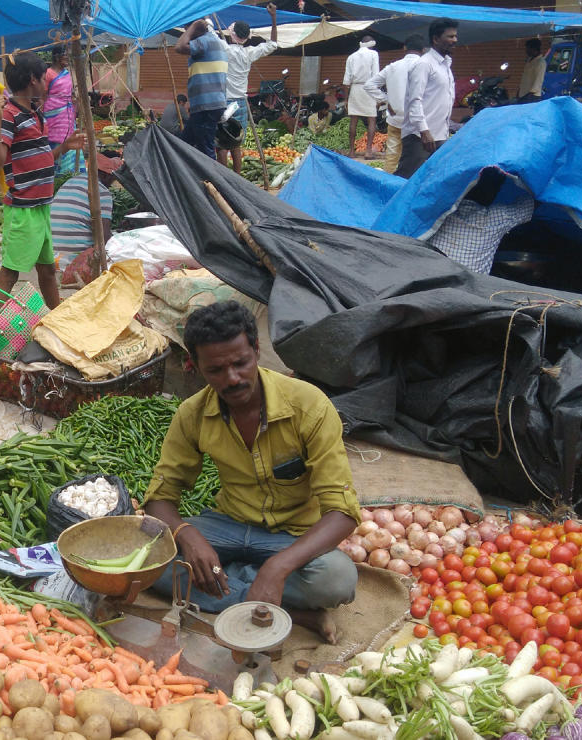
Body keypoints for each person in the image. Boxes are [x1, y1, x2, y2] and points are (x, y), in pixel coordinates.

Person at [144, 301, 359, 643]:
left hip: (291, 534)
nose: (232, 379)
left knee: (337, 580)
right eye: (216, 370)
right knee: (145, 557)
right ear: (196, 367)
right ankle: (288, 609)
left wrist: (279, 566)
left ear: (257, 351)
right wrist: (188, 534)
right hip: (228, 525)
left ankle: (242, 580)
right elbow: (159, 498)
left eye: (241, 363)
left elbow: (343, 513)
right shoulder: (192, 413)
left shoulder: (309, 406)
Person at [0, 52, 86, 310]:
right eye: (44, 78)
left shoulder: (35, 113)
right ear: (33, 79)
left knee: (46, 270)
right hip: (23, 209)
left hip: (41, 207)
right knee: (10, 273)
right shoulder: (10, 114)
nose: (47, 84)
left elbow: (40, 158)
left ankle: (57, 318)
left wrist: (64, 147)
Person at [220, 4, 280, 174]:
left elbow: (210, 33)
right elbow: (273, 44)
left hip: (225, 102)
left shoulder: (226, 50)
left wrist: (207, 19)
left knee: (222, 146)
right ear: (247, 37)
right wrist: (273, 17)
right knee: (236, 144)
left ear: (232, 35)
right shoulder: (249, 53)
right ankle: (237, 179)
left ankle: (223, 179)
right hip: (240, 103)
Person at [395, 19, 458, 179]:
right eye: (450, 37)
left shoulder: (446, 65)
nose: (455, 40)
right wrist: (424, 131)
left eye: (455, 36)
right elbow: (414, 100)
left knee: (433, 181)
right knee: (406, 179)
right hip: (420, 136)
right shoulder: (424, 64)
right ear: (436, 39)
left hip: (440, 135)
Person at [364, 34, 428, 174]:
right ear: (424, 50)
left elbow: (369, 85)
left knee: (392, 156)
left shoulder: (393, 67)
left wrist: (386, 101)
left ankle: (388, 183)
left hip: (395, 119)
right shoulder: (427, 67)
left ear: (404, 48)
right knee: (415, 157)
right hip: (417, 123)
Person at [50, 153, 119, 277]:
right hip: (76, 261)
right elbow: (103, 237)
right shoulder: (101, 192)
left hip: (52, 257)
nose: (112, 182)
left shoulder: (70, 182)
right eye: (112, 178)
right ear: (105, 174)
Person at [175, 18, 229, 158]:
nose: (187, 34)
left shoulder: (205, 41)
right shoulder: (214, 42)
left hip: (207, 106)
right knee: (183, 144)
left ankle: (212, 179)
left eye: (188, 30)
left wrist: (193, 26)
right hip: (208, 105)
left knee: (206, 150)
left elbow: (179, 47)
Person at [43, 46, 79, 174]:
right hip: (54, 115)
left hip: (68, 115)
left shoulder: (67, 73)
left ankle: (71, 172)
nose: (67, 59)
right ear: (57, 57)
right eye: (65, 56)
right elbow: (43, 95)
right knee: (56, 141)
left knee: (71, 139)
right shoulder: (48, 74)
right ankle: (57, 173)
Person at [343, 36, 380, 158]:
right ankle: (368, 151)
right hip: (369, 88)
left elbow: (346, 80)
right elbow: (376, 75)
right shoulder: (374, 54)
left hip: (355, 88)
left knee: (353, 120)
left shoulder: (351, 57)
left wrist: (346, 99)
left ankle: (352, 152)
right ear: (371, 45)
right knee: (371, 120)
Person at [517, 38, 546, 103]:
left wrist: (530, 94)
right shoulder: (529, 61)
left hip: (532, 96)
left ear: (534, 49)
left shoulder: (540, 62)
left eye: (527, 49)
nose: (526, 51)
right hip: (523, 94)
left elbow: (538, 81)